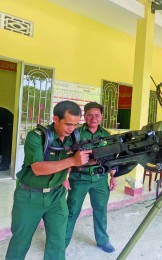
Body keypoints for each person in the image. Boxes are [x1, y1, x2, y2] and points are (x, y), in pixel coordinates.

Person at [6, 101, 91, 260]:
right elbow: (37, 169)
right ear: (55, 118)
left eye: (75, 124)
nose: (71, 129)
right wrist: (72, 161)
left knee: (58, 241)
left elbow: (76, 160)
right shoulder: (36, 136)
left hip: (57, 195)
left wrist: (67, 173)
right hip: (29, 196)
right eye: (68, 124)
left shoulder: (74, 137)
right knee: (20, 240)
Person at [64, 102, 117, 253]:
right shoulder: (76, 133)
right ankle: (62, 243)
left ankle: (103, 240)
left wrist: (113, 176)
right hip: (79, 178)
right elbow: (67, 155)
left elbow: (110, 158)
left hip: (100, 179)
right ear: (84, 116)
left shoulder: (106, 135)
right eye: (89, 115)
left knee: (101, 210)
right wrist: (65, 175)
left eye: (97, 115)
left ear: (101, 117)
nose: (93, 118)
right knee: (72, 211)